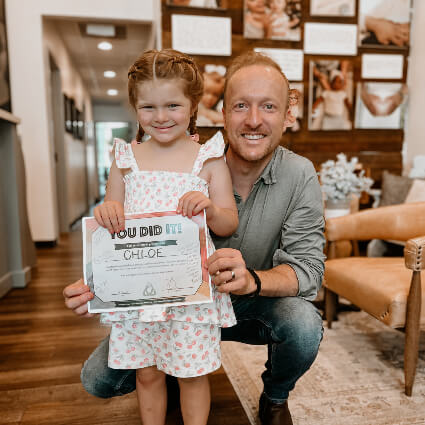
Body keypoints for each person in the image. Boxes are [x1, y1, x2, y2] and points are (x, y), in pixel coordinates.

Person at [64, 50, 326, 425]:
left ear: (288, 115)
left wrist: (252, 280)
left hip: (231, 303)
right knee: (100, 380)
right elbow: (115, 231)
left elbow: (308, 270)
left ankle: (275, 396)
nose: (253, 120)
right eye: (240, 106)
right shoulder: (138, 159)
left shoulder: (287, 173)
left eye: (268, 106)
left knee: (302, 325)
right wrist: (96, 280)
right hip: (155, 297)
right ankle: (168, 369)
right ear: (220, 111)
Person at [88, 48, 239, 425]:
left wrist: (210, 207)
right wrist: (106, 212)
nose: (160, 117)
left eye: (172, 105)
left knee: (191, 372)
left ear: (193, 105)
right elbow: (111, 216)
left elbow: (227, 224)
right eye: (147, 107)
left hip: (190, 291)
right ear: (134, 108)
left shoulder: (209, 159)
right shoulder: (126, 159)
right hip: (139, 293)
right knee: (147, 372)